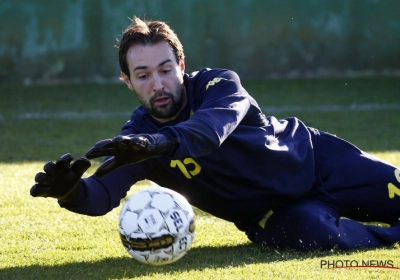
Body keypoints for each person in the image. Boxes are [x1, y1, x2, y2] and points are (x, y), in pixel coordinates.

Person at [30, 17, 400, 251]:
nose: (158, 84)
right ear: (127, 82)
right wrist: (71, 192)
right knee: (314, 237)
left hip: (321, 162)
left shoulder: (219, 84)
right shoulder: (136, 139)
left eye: (165, 69)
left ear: (182, 65)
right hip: (279, 213)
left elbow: (209, 131)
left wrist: (159, 144)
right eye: (143, 75)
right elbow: (102, 193)